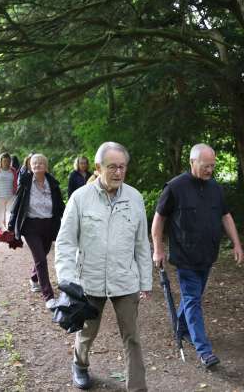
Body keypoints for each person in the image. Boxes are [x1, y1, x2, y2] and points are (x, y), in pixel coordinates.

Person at [56, 142, 152, 391]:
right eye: (112, 167)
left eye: (122, 167)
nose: (118, 172)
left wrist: (145, 282)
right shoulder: (80, 199)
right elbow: (65, 243)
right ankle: (80, 364)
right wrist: (68, 282)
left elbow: (142, 243)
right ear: (98, 168)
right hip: (89, 281)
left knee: (132, 338)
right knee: (87, 332)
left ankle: (137, 387)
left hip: (125, 280)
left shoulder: (135, 198)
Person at [151, 143, 244, 370]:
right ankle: (204, 350)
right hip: (185, 256)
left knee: (192, 297)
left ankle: (181, 328)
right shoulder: (175, 187)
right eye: (205, 166)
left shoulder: (215, 188)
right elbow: (159, 219)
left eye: (212, 166)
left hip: (207, 255)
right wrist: (158, 248)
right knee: (193, 299)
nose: (210, 170)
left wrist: (237, 243)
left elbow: (226, 216)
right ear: (192, 163)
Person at [9, 154, 65, 308]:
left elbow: (60, 206)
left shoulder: (53, 184)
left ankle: (34, 278)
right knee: (41, 259)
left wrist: (67, 221)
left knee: (43, 253)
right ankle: (49, 296)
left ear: (46, 166)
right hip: (31, 226)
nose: (37, 165)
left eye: (41, 163)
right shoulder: (26, 182)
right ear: (30, 166)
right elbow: (17, 205)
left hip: (49, 225)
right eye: (34, 163)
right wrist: (11, 226)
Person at [0, 153, 19, 230]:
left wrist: (16, 194)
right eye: (4, 161)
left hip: (10, 197)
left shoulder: (13, 170)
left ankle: (9, 231)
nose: (6, 163)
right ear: (1, 161)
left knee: (10, 215)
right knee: (1, 216)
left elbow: (15, 183)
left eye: (8, 161)